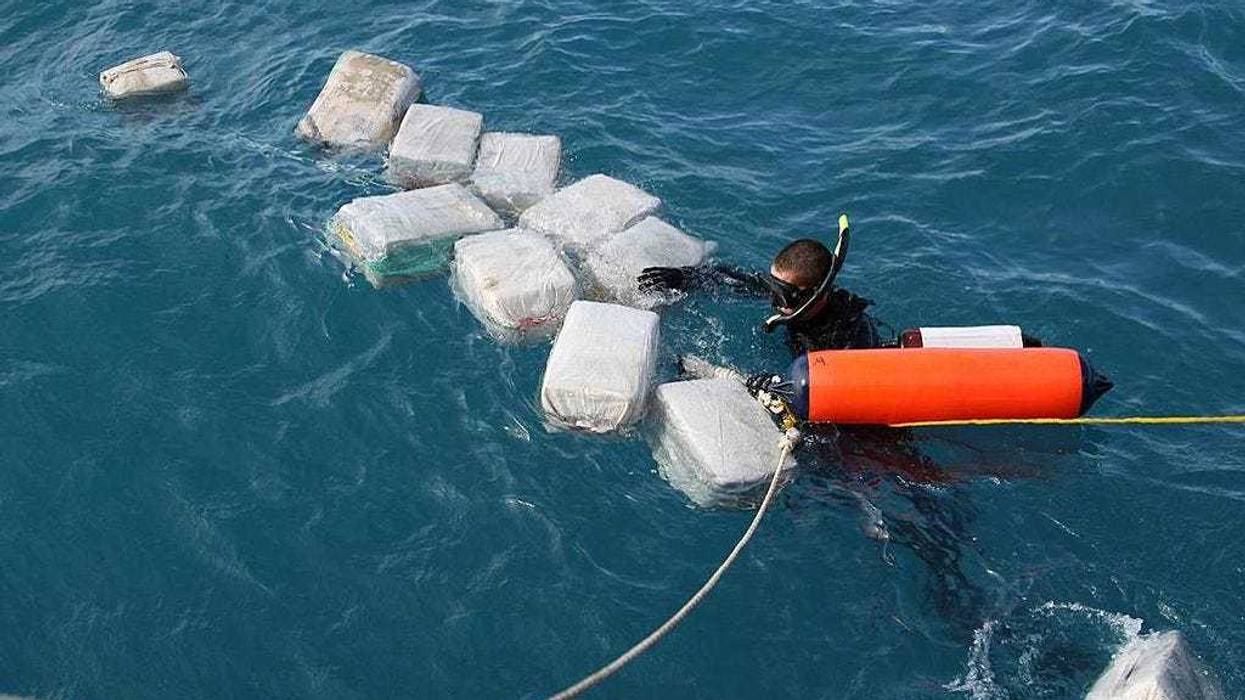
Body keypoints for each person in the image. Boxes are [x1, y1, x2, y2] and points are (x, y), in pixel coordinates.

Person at [638, 214, 884, 357]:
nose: (773, 301)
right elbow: (730, 279)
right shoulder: (796, 301)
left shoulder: (843, 340)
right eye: (772, 287)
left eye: (782, 295)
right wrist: (684, 277)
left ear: (814, 296)